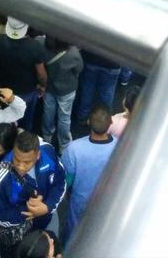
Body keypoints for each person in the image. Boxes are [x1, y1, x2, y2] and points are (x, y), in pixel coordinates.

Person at [0, 130, 66, 254]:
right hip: (19, 237)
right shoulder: (2, 176)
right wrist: (26, 212)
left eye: (27, 162)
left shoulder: (48, 153)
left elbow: (60, 183)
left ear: (38, 155)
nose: (20, 166)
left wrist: (47, 207)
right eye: (17, 159)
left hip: (46, 221)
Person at [61, 104, 118, 242]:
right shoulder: (119, 146)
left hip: (80, 201)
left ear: (88, 122)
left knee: (73, 235)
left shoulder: (74, 149)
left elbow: (66, 180)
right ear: (110, 122)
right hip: (108, 201)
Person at [0, 18, 47, 132]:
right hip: (27, 91)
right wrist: (43, 85)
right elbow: (41, 74)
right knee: (26, 119)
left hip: (3, 89)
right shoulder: (35, 47)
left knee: (6, 121)